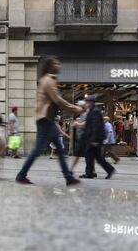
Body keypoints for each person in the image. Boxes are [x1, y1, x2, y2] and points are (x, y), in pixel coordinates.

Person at [16, 57, 82, 186]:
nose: (59, 65)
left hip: (47, 119)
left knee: (57, 149)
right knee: (38, 149)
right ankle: (21, 175)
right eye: (56, 63)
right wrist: (75, 109)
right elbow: (57, 100)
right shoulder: (48, 80)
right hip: (45, 119)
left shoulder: (46, 79)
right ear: (51, 66)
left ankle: (68, 177)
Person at [80, 95, 115, 179]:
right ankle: (109, 170)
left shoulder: (95, 111)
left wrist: (94, 140)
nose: (86, 103)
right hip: (94, 138)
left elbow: (96, 126)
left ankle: (89, 173)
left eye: (87, 102)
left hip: (94, 138)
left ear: (91, 102)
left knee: (89, 155)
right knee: (97, 157)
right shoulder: (92, 110)